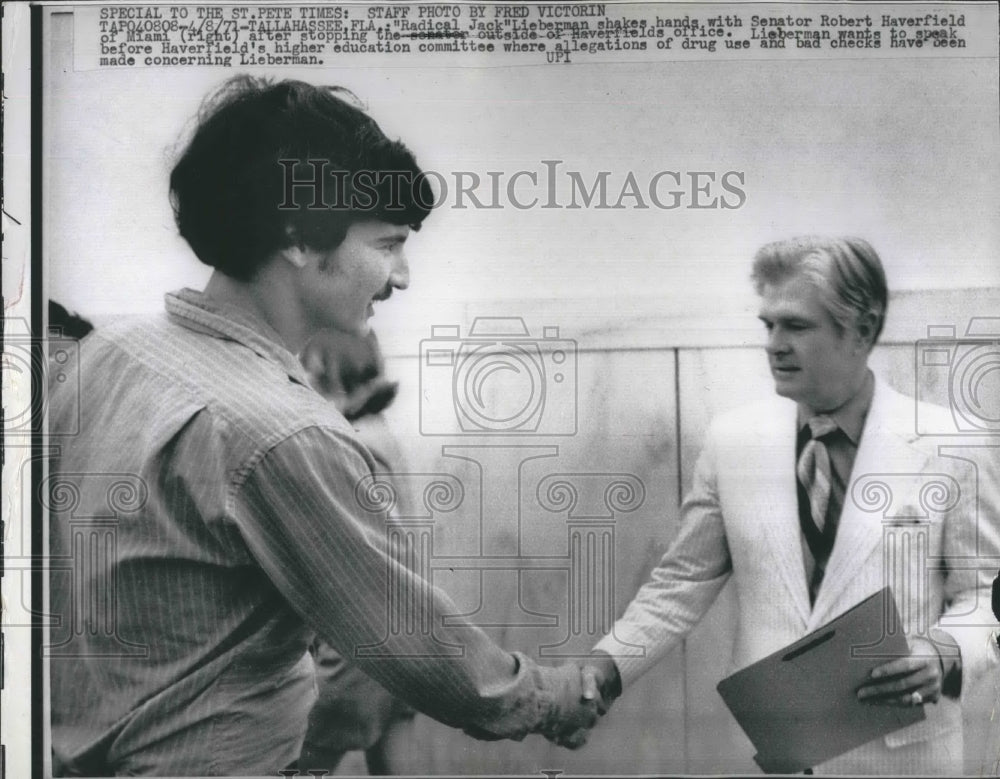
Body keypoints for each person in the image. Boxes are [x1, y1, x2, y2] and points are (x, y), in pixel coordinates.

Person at [46, 76, 606, 777]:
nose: (402, 275)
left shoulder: (105, 355)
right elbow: (406, 640)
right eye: (388, 243)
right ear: (299, 237)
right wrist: (551, 697)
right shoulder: (280, 431)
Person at [579, 237, 1000, 774]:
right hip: (767, 757)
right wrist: (606, 667)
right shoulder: (732, 442)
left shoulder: (951, 443)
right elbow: (679, 583)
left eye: (796, 326)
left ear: (862, 330)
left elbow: (985, 595)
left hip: (903, 760)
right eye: (768, 325)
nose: (774, 345)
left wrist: (945, 651)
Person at [297, 328, 417, 775]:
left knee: (302, 761)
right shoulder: (378, 434)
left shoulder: (353, 444)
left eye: (307, 375)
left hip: (360, 650)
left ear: (334, 378)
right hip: (402, 645)